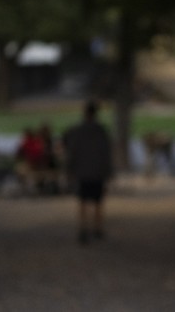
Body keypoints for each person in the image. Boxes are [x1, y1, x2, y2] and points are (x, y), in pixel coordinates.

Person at [63, 101, 113, 244]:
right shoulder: (101, 131)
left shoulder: (77, 131)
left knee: (83, 202)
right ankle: (97, 227)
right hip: (97, 171)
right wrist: (108, 172)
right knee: (98, 202)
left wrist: (70, 169)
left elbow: (72, 152)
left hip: (83, 172)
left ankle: (83, 228)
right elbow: (106, 153)